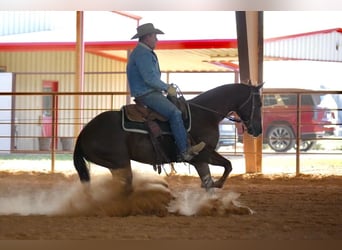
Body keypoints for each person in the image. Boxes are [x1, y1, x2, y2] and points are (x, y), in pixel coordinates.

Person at [126, 23, 206, 161]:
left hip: (148, 92)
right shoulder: (143, 54)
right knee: (175, 113)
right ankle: (184, 151)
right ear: (146, 37)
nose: (157, 39)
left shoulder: (141, 52)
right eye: (154, 36)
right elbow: (149, 78)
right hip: (147, 93)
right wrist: (167, 87)